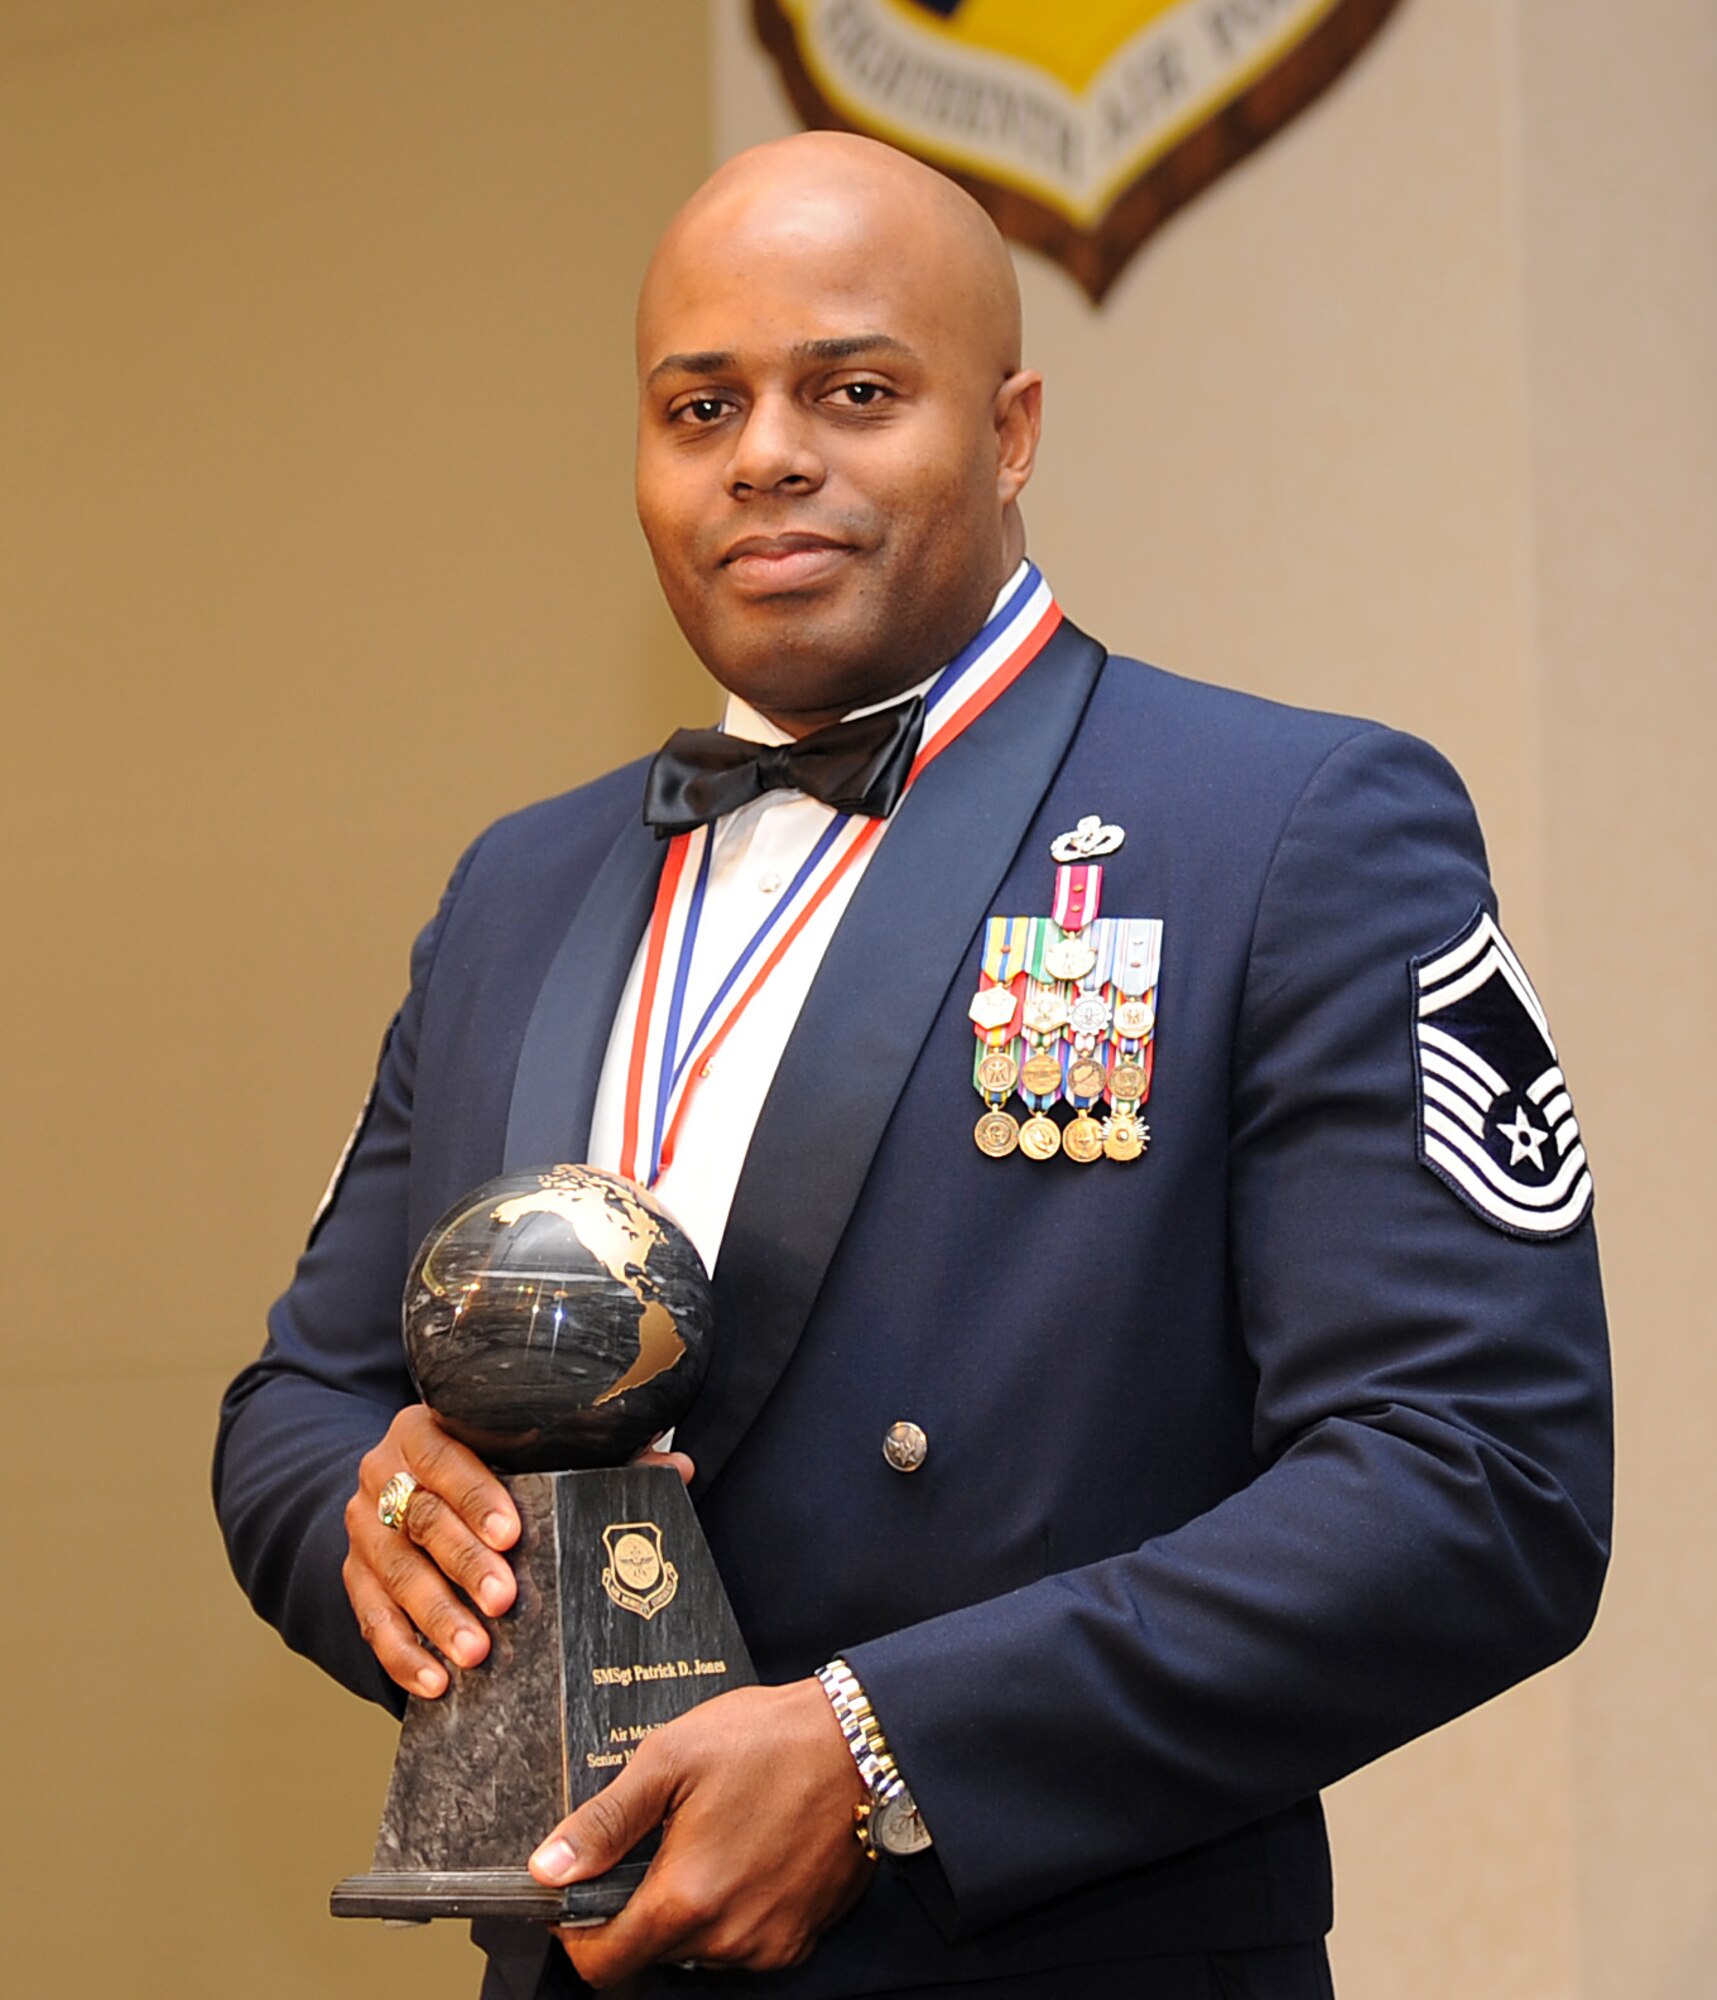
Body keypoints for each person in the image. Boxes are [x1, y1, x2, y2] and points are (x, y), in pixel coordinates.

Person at [215, 133, 1612, 1999]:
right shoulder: (515, 889)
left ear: (1013, 427)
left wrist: (885, 1750)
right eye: (697, 404)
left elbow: (1473, 1478)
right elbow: (301, 1401)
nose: (766, 453)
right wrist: (384, 1532)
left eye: (852, 392)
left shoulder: (1285, 827)